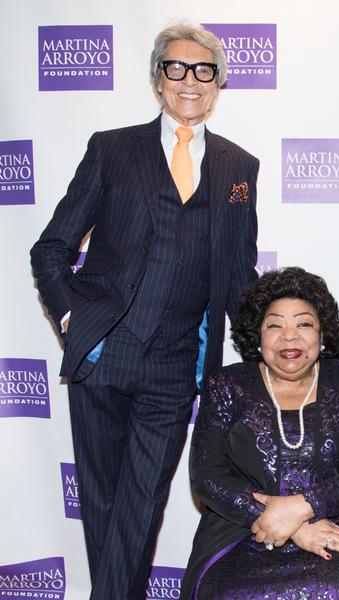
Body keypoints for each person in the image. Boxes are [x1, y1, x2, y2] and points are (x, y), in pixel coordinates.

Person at [30, 21, 259, 600]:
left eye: (204, 71)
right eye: (176, 68)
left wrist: (271, 351)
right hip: (102, 358)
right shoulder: (111, 149)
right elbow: (51, 248)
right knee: (106, 514)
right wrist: (70, 321)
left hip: (175, 368)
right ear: (159, 80)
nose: (190, 80)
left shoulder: (239, 168)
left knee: (139, 513)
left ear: (218, 85)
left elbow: (238, 276)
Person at [179, 267, 339, 600]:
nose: (290, 336)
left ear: (322, 334)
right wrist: (296, 527)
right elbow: (207, 475)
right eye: (275, 325)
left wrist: (307, 506)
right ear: (257, 335)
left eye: (304, 324)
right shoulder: (226, 384)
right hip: (241, 527)